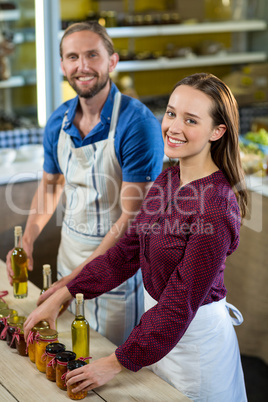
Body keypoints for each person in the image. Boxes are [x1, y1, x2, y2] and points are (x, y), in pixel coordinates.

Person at [24, 73, 248, 401]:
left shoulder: (216, 204)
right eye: (171, 113)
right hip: (156, 336)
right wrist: (66, 293)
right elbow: (125, 252)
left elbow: (180, 301)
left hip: (195, 348)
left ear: (218, 131)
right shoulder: (167, 179)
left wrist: (115, 362)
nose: (173, 127)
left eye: (190, 120)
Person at [6, 21, 164, 346]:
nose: (83, 66)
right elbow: (51, 186)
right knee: (64, 360)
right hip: (69, 258)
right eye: (72, 56)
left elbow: (131, 219)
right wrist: (30, 239)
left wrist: (72, 284)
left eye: (92, 54)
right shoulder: (58, 120)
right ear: (62, 64)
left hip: (114, 274)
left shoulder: (137, 125)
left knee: (105, 372)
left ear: (112, 61)